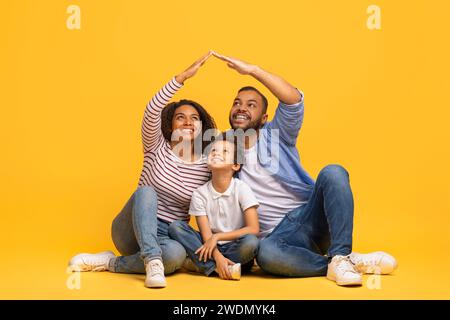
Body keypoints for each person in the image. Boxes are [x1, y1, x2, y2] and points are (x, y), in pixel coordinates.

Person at [212, 51, 397, 286]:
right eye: (237, 103)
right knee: (266, 255)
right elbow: (189, 153)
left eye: (251, 105)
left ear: (264, 117)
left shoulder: (277, 134)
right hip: (277, 239)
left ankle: (340, 253)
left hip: (309, 218)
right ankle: (342, 262)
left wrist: (253, 70)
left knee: (333, 172)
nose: (241, 108)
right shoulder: (224, 146)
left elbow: (293, 99)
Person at [69, 52, 217, 288]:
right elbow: (151, 110)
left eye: (194, 118)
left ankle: (111, 263)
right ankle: (152, 261)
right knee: (147, 192)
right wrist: (181, 78)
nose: (188, 122)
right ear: (170, 124)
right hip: (131, 229)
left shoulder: (208, 164)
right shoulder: (156, 145)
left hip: (167, 236)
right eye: (181, 118)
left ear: (202, 126)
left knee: (175, 256)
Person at [169, 134, 260, 280]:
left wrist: (217, 237)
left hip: (234, 246)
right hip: (209, 246)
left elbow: (254, 229)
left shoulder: (242, 189)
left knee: (251, 243)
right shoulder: (199, 194)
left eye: (225, 151)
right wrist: (217, 256)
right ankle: (217, 267)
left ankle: (201, 264)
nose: (216, 153)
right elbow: (206, 236)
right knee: (176, 227)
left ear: (235, 165)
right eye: (213, 151)